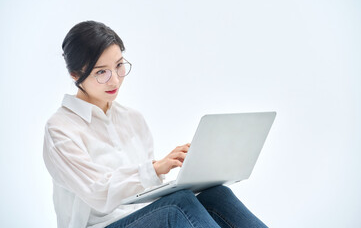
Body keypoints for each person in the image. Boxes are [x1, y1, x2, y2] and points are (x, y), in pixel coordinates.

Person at [43, 20, 268, 228]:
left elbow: (145, 194)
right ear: (75, 75)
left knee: (217, 194)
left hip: (145, 216)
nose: (115, 80)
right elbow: (98, 192)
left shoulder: (133, 119)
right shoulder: (60, 129)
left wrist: (191, 180)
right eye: (101, 72)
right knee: (177, 205)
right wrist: (154, 169)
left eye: (119, 65)